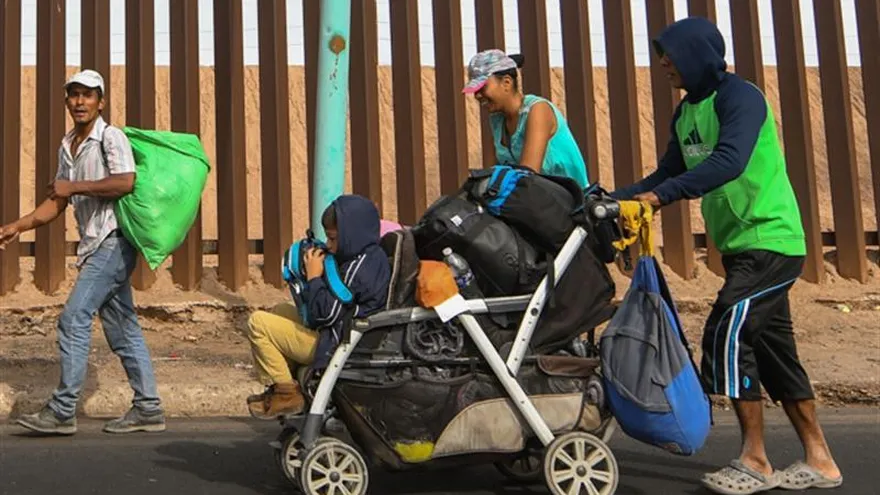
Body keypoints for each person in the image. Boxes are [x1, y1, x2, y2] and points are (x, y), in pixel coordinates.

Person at [610, 17, 842, 494]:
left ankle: (754, 459)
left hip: (772, 240)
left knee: (727, 331)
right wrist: (615, 198)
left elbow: (728, 161)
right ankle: (821, 460)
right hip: (740, 248)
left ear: (694, 53)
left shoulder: (742, 98)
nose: (662, 64)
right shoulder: (687, 112)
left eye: (668, 54)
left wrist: (661, 198)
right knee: (776, 354)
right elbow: (667, 172)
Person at [0, 70, 165, 435]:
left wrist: (72, 185)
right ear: (67, 101)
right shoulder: (68, 144)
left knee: (73, 318)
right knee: (123, 327)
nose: (80, 102)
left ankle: (62, 410)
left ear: (100, 102)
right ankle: (149, 408)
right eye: (74, 95)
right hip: (94, 246)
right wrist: (17, 225)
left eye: (88, 95)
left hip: (114, 241)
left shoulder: (111, 137)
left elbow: (125, 181)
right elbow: (58, 200)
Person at [245, 195, 391, 419]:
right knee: (280, 312)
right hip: (337, 332)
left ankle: (286, 393)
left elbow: (326, 314)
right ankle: (286, 380)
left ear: (352, 234)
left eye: (333, 239)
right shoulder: (365, 256)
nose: (329, 246)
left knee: (258, 323)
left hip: (339, 343)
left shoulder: (359, 268)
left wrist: (314, 277)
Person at [462, 49, 589, 189]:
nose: (478, 96)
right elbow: (490, 175)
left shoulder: (537, 110)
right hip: (531, 200)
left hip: (570, 202)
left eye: (482, 88)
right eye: (475, 91)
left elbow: (527, 175)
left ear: (506, 83)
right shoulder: (497, 121)